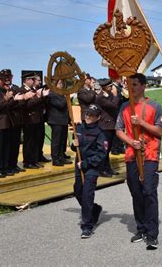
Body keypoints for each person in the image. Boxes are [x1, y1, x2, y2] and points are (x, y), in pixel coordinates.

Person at [115, 73, 162, 250]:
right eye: (129, 84)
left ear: (143, 86)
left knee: (149, 192)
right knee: (136, 192)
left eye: (135, 84)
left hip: (149, 155)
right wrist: (130, 141)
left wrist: (141, 122)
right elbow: (118, 130)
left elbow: (159, 131)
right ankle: (141, 228)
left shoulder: (154, 106)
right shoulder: (125, 107)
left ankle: (152, 233)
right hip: (131, 155)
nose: (131, 88)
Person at [72, 104, 106, 239]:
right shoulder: (79, 128)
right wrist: (73, 145)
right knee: (78, 191)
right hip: (78, 166)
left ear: (97, 117)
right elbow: (76, 147)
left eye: (91, 115)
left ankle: (87, 225)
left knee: (87, 194)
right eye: (86, 114)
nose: (87, 116)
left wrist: (85, 163)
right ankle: (94, 209)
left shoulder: (100, 133)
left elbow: (101, 154)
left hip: (91, 167)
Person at [0, 71, 24, 177]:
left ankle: (5, 168)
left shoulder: (2, 91)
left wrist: (14, 100)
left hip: (6, 123)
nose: (3, 81)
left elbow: (8, 106)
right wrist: (6, 99)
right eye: (1, 80)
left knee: (6, 148)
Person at [0, 69, 26, 174]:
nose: (7, 79)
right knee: (7, 146)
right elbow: (5, 106)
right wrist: (14, 100)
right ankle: (7, 167)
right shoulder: (1, 90)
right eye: (5, 77)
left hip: (17, 120)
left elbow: (22, 103)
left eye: (9, 77)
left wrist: (20, 100)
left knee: (15, 145)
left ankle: (13, 165)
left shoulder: (15, 88)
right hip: (8, 120)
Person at [96, 78, 120, 177]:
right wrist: (115, 95)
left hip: (111, 125)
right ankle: (101, 169)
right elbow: (114, 105)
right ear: (105, 87)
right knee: (104, 150)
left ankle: (108, 168)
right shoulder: (100, 97)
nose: (112, 87)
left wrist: (116, 95)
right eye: (110, 86)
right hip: (105, 126)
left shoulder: (108, 95)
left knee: (108, 149)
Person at [46, 80, 71, 167]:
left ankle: (61, 157)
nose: (62, 85)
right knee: (56, 141)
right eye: (60, 83)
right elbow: (60, 105)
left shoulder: (61, 94)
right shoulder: (52, 94)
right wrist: (67, 98)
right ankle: (55, 158)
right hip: (56, 120)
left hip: (63, 120)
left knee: (62, 140)